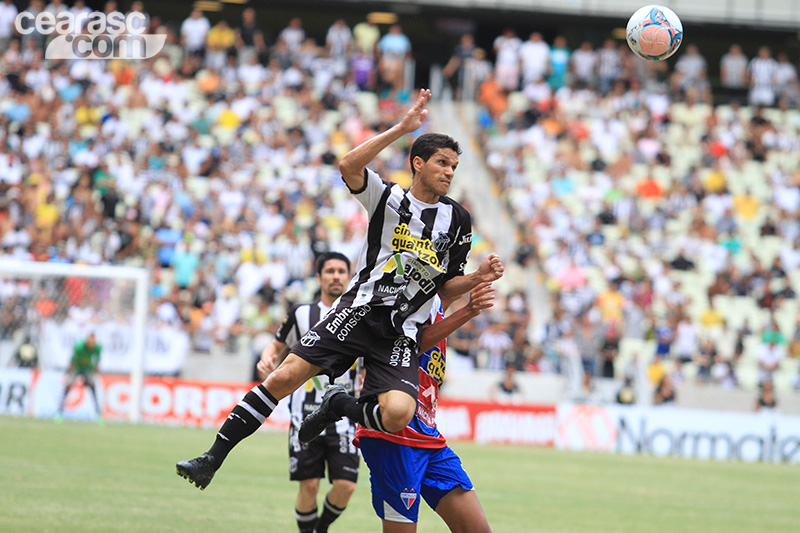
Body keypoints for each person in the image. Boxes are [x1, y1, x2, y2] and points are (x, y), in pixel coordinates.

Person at [176, 89, 505, 490]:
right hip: (359, 310)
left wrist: (478, 277)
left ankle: (339, 404)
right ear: (417, 163)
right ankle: (212, 458)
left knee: (399, 413)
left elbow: (445, 284)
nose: (449, 172)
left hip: (401, 332)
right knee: (285, 377)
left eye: (454, 166)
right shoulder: (388, 197)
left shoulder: (458, 220)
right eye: (442, 163)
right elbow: (348, 164)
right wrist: (400, 129)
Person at [357, 284, 495, 532]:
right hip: (394, 436)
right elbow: (403, 350)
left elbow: (450, 290)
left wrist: (479, 277)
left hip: (428, 436)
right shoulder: (401, 296)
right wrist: (469, 310)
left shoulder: (437, 303)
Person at [255, 252, 360, 533]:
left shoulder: (361, 314)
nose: (336, 276)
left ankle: (320, 529)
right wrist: (267, 358)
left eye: (341, 271)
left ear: (349, 277)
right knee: (310, 483)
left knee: (346, 485)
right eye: (330, 271)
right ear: (319, 277)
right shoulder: (302, 313)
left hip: (344, 416)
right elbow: (276, 346)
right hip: (304, 413)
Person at [55, 332, 102, 423]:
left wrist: (94, 371)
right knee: (67, 387)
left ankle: (98, 415)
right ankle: (59, 412)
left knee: (93, 389)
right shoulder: (79, 347)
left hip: (87, 369)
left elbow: (97, 361)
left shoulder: (97, 348)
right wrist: (69, 373)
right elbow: (73, 360)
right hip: (77, 368)